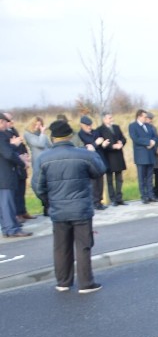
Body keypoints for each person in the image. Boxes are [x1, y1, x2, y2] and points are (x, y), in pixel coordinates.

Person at [34, 120, 106, 293]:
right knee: (83, 246)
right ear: (70, 136)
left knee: (60, 247)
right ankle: (86, 283)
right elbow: (100, 170)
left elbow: (38, 186)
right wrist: (93, 152)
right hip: (81, 208)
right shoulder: (83, 155)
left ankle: (63, 282)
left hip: (58, 209)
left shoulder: (43, 158)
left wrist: (49, 202)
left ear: (53, 138)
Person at [0, 113, 31, 238]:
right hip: (4, 174)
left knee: (3, 205)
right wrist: (22, 162)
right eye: (5, 122)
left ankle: (7, 228)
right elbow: (8, 154)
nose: (6, 124)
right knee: (7, 204)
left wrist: (12, 145)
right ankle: (13, 229)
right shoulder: (1, 136)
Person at [96, 113, 128, 206]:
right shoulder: (100, 130)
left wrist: (121, 143)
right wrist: (112, 146)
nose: (111, 119)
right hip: (108, 157)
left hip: (118, 156)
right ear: (104, 119)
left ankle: (119, 198)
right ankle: (113, 199)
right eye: (109, 118)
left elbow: (123, 138)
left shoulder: (116, 127)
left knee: (119, 179)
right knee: (110, 180)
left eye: (111, 117)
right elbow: (102, 144)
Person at [128, 109, 158, 204]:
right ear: (139, 116)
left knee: (150, 177)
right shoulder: (133, 126)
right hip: (141, 156)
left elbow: (155, 136)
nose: (146, 118)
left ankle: (151, 195)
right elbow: (135, 138)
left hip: (150, 154)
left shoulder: (149, 126)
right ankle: (144, 196)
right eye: (145, 117)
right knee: (142, 177)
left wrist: (153, 141)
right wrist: (148, 142)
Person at [24, 116, 53, 216]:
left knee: (48, 185)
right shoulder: (28, 134)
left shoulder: (41, 134)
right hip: (37, 162)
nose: (38, 127)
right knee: (38, 185)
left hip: (48, 162)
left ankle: (48, 207)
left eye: (40, 125)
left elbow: (49, 145)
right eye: (36, 125)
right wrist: (43, 133)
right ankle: (46, 203)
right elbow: (40, 144)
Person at [78, 115, 107, 210]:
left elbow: (98, 143)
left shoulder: (95, 132)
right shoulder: (80, 135)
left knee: (100, 182)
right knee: (93, 183)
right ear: (82, 125)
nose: (89, 127)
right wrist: (96, 144)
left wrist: (101, 144)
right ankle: (94, 202)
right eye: (87, 125)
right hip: (89, 162)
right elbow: (88, 148)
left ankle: (99, 201)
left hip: (99, 159)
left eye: (90, 125)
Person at [146, 112, 158, 200]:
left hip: (156, 156)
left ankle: (157, 192)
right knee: (149, 177)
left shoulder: (153, 127)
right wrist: (155, 148)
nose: (150, 120)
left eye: (151, 119)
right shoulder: (144, 128)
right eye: (149, 119)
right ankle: (150, 194)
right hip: (149, 155)